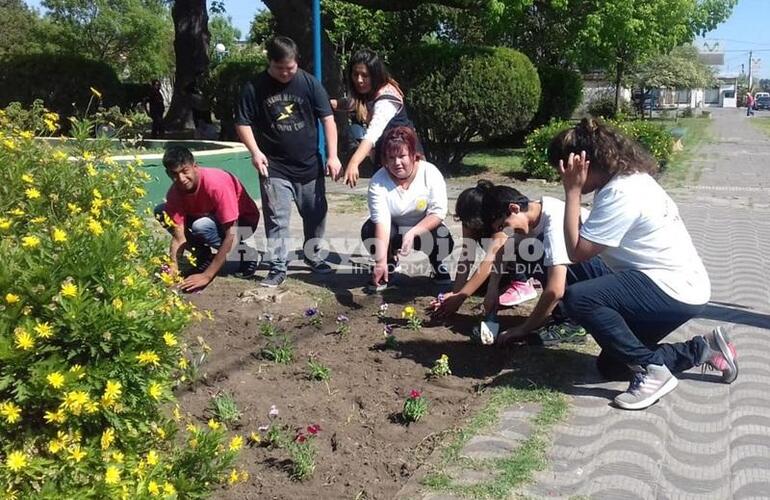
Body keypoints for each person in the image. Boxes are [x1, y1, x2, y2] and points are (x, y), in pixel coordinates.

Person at [551, 118, 737, 410]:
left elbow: (577, 251)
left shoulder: (621, 193)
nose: (561, 177)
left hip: (672, 290)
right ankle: (703, 349)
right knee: (612, 366)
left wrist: (572, 193)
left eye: (564, 170)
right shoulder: (626, 179)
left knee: (579, 298)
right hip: (669, 282)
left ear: (582, 163)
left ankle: (651, 371)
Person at [235, 36, 342, 287]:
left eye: (290, 68)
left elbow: (328, 119)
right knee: (277, 218)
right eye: (279, 68)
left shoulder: (309, 83)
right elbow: (242, 122)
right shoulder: (255, 87)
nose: (285, 73)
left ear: (297, 63)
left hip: (309, 166)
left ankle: (313, 255)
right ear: (269, 62)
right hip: (274, 167)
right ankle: (278, 266)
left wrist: (333, 155)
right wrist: (255, 151)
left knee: (315, 215)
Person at [476, 185, 593, 346]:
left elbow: (555, 290)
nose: (505, 231)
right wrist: (493, 289)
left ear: (514, 208)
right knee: (524, 249)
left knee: (537, 248)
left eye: (503, 225)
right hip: (591, 270)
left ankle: (571, 324)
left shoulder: (554, 221)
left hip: (608, 274)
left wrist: (523, 329)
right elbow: (504, 251)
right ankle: (563, 315)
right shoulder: (533, 215)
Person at [155, 146, 260, 292]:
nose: (181, 179)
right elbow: (179, 236)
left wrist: (207, 275)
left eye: (185, 172)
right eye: (174, 174)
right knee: (161, 212)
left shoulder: (216, 185)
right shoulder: (175, 193)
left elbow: (233, 232)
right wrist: (173, 264)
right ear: (168, 173)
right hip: (210, 219)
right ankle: (203, 255)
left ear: (195, 166)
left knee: (201, 226)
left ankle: (246, 253)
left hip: (242, 223)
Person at [361, 126, 453, 291]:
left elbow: (438, 213)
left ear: (413, 154)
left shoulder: (430, 173)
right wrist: (380, 262)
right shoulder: (378, 181)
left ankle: (437, 263)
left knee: (442, 238)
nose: (397, 163)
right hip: (393, 230)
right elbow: (382, 222)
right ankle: (389, 264)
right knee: (369, 230)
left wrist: (413, 232)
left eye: (402, 156)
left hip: (424, 229)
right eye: (391, 157)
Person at [430, 181, 537, 322]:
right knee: (475, 288)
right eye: (467, 222)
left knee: (507, 249)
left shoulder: (500, 221)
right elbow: (467, 255)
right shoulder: (469, 219)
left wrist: (461, 297)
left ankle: (520, 282)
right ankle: (503, 285)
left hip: (518, 256)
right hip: (498, 267)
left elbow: (490, 260)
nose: (471, 226)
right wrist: (456, 293)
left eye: (474, 223)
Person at [339, 49, 420, 188]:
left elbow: (372, 134)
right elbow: (353, 104)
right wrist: (330, 104)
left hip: (405, 160)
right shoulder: (370, 92)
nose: (359, 80)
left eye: (365, 75)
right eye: (355, 74)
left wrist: (354, 162)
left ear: (375, 75)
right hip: (385, 158)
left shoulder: (386, 99)